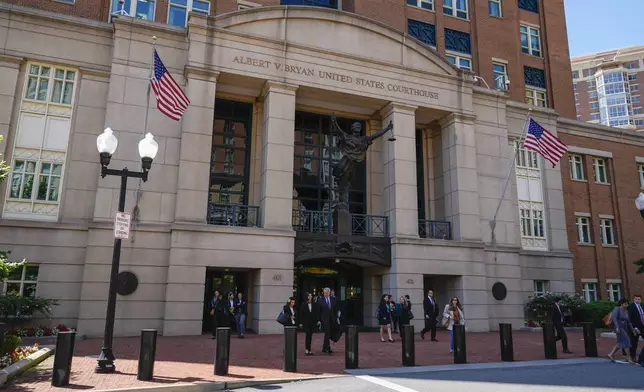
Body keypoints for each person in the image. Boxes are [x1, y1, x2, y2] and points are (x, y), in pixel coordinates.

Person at [608, 298, 636, 364]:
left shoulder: (626, 311)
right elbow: (614, 318)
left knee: (620, 342)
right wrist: (617, 328)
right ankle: (629, 357)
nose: (627, 305)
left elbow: (629, 322)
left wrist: (633, 330)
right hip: (618, 328)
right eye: (625, 304)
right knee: (627, 341)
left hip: (624, 327)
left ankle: (611, 354)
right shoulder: (617, 309)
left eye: (627, 304)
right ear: (622, 303)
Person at [318, 287, 340, 354]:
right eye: (324, 293)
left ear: (329, 293)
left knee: (329, 333)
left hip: (332, 319)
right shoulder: (320, 300)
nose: (325, 294)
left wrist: (337, 317)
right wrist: (319, 320)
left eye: (326, 293)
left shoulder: (333, 299)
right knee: (327, 332)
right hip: (324, 319)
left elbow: (336, 309)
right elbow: (319, 311)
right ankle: (327, 348)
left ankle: (325, 348)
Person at [627, 294, 644, 366]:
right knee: (634, 342)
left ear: (641, 300)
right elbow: (629, 318)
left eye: (639, 299)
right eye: (636, 299)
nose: (637, 300)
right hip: (635, 328)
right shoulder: (631, 307)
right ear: (634, 299)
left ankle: (640, 358)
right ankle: (633, 356)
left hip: (642, 327)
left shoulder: (642, 306)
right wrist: (634, 328)